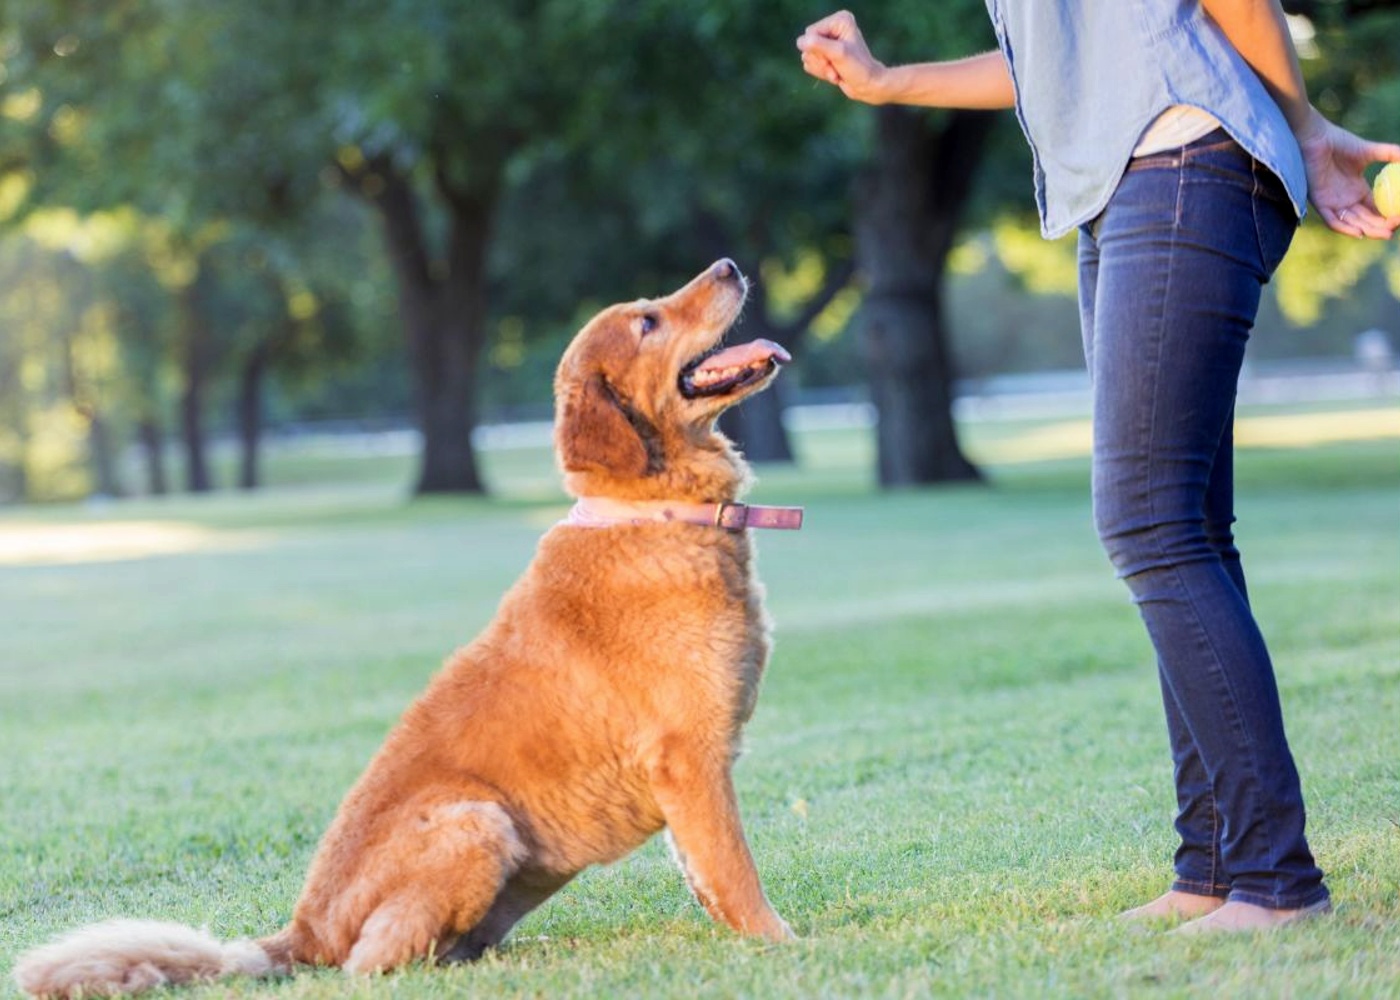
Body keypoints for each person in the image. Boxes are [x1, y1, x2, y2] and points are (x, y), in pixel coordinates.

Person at [797, 2, 1400, 933]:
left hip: (1187, 158)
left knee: (1149, 525)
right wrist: (889, 83)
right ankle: (1211, 865)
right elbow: (1050, 61)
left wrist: (1307, 125)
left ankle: (1278, 881)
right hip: (1125, 183)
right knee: (1187, 530)